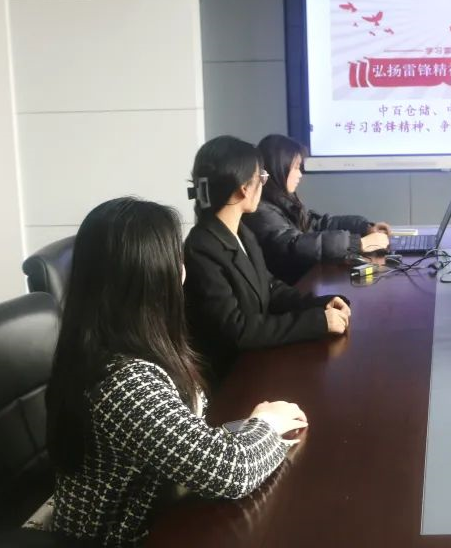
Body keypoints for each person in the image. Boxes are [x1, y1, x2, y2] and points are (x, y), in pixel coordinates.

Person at [45, 197, 308, 547]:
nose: (184, 268)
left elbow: (186, 431)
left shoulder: (123, 342)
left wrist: (245, 431)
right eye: (176, 258)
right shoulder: (123, 380)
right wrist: (267, 424)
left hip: (160, 509)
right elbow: (231, 470)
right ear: (151, 276)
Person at [183, 136, 351, 383]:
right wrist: (316, 322)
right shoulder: (202, 247)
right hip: (230, 380)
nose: (263, 184)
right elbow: (237, 330)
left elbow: (270, 287)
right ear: (244, 188)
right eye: (261, 177)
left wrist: (318, 305)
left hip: (257, 363)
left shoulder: (242, 232)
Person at [244, 134, 391, 285]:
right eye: (296, 167)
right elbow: (293, 245)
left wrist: (365, 227)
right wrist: (358, 243)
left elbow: (318, 225)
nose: (300, 175)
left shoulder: (283, 202)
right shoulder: (260, 211)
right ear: (279, 168)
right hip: (288, 290)